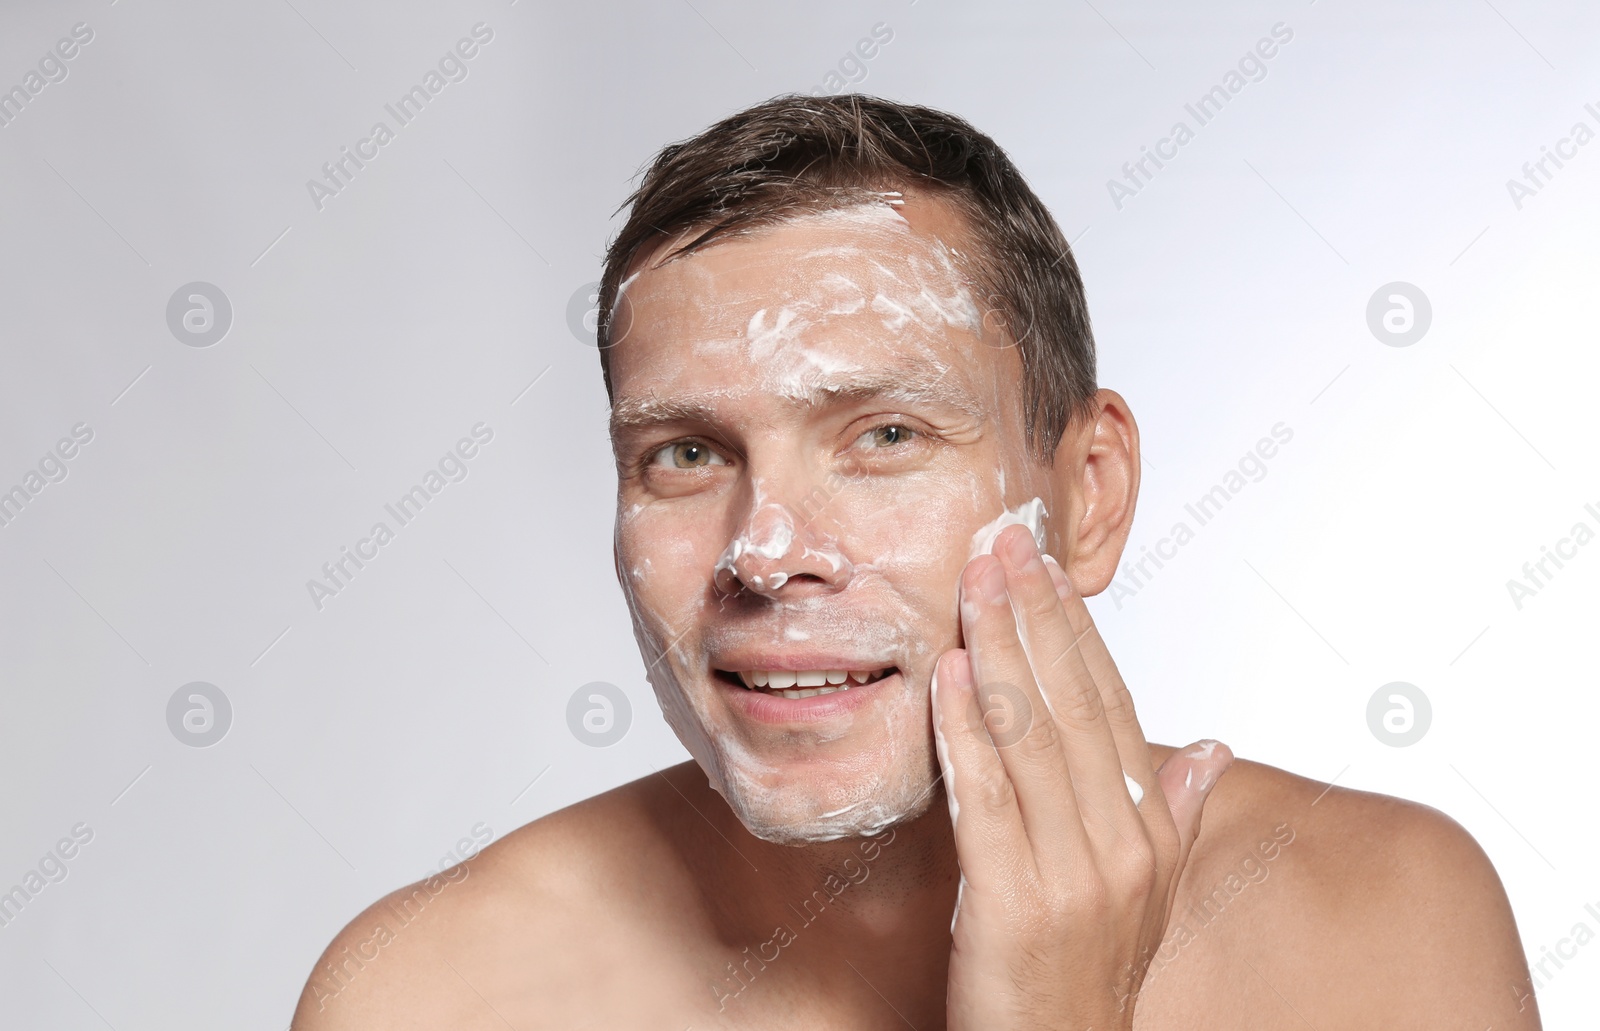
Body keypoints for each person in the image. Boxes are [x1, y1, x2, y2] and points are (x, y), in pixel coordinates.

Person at [293, 94, 1540, 1029]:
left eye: (884, 434)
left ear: (1087, 493)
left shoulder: (1378, 923)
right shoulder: (429, 991)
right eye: (683, 453)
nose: (766, 551)